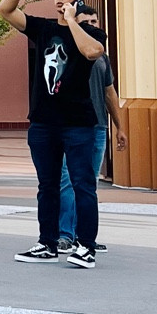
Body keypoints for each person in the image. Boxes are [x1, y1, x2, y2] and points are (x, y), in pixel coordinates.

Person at [0, 0, 107, 268]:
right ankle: (46, 243)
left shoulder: (92, 33)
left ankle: (86, 246)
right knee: (47, 185)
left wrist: (72, 20)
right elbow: (5, 10)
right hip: (44, 123)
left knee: (82, 184)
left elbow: (90, 52)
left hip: (78, 124)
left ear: (79, 0)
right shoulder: (43, 28)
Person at [58, 23, 128, 248]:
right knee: (68, 181)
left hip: (98, 127)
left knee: (88, 182)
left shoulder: (102, 60)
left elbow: (110, 94)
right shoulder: (67, 54)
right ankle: (65, 234)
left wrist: (119, 127)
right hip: (72, 126)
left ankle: (83, 235)